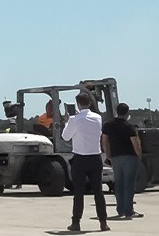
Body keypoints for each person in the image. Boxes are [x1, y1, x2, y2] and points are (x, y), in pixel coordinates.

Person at [62, 92, 109, 232]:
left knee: (79, 193)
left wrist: (67, 121)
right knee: (98, 192)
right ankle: (103, 222)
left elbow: (65, 137)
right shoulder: (98, 118)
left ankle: (76, 222)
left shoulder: (75, 120)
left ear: (78, 104)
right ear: (90, 103)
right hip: (95, 157)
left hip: (80, 157)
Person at [102, 102, 144, 219]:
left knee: (119, 184)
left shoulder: (108, 125)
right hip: (130, 157)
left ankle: (120, 210)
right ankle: (129, 211)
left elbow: (104, 141)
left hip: (116, 157)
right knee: (129, 184)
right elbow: (135, 144)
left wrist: (108, 155)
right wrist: (139, 157)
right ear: (127, 113)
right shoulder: (129, 126)